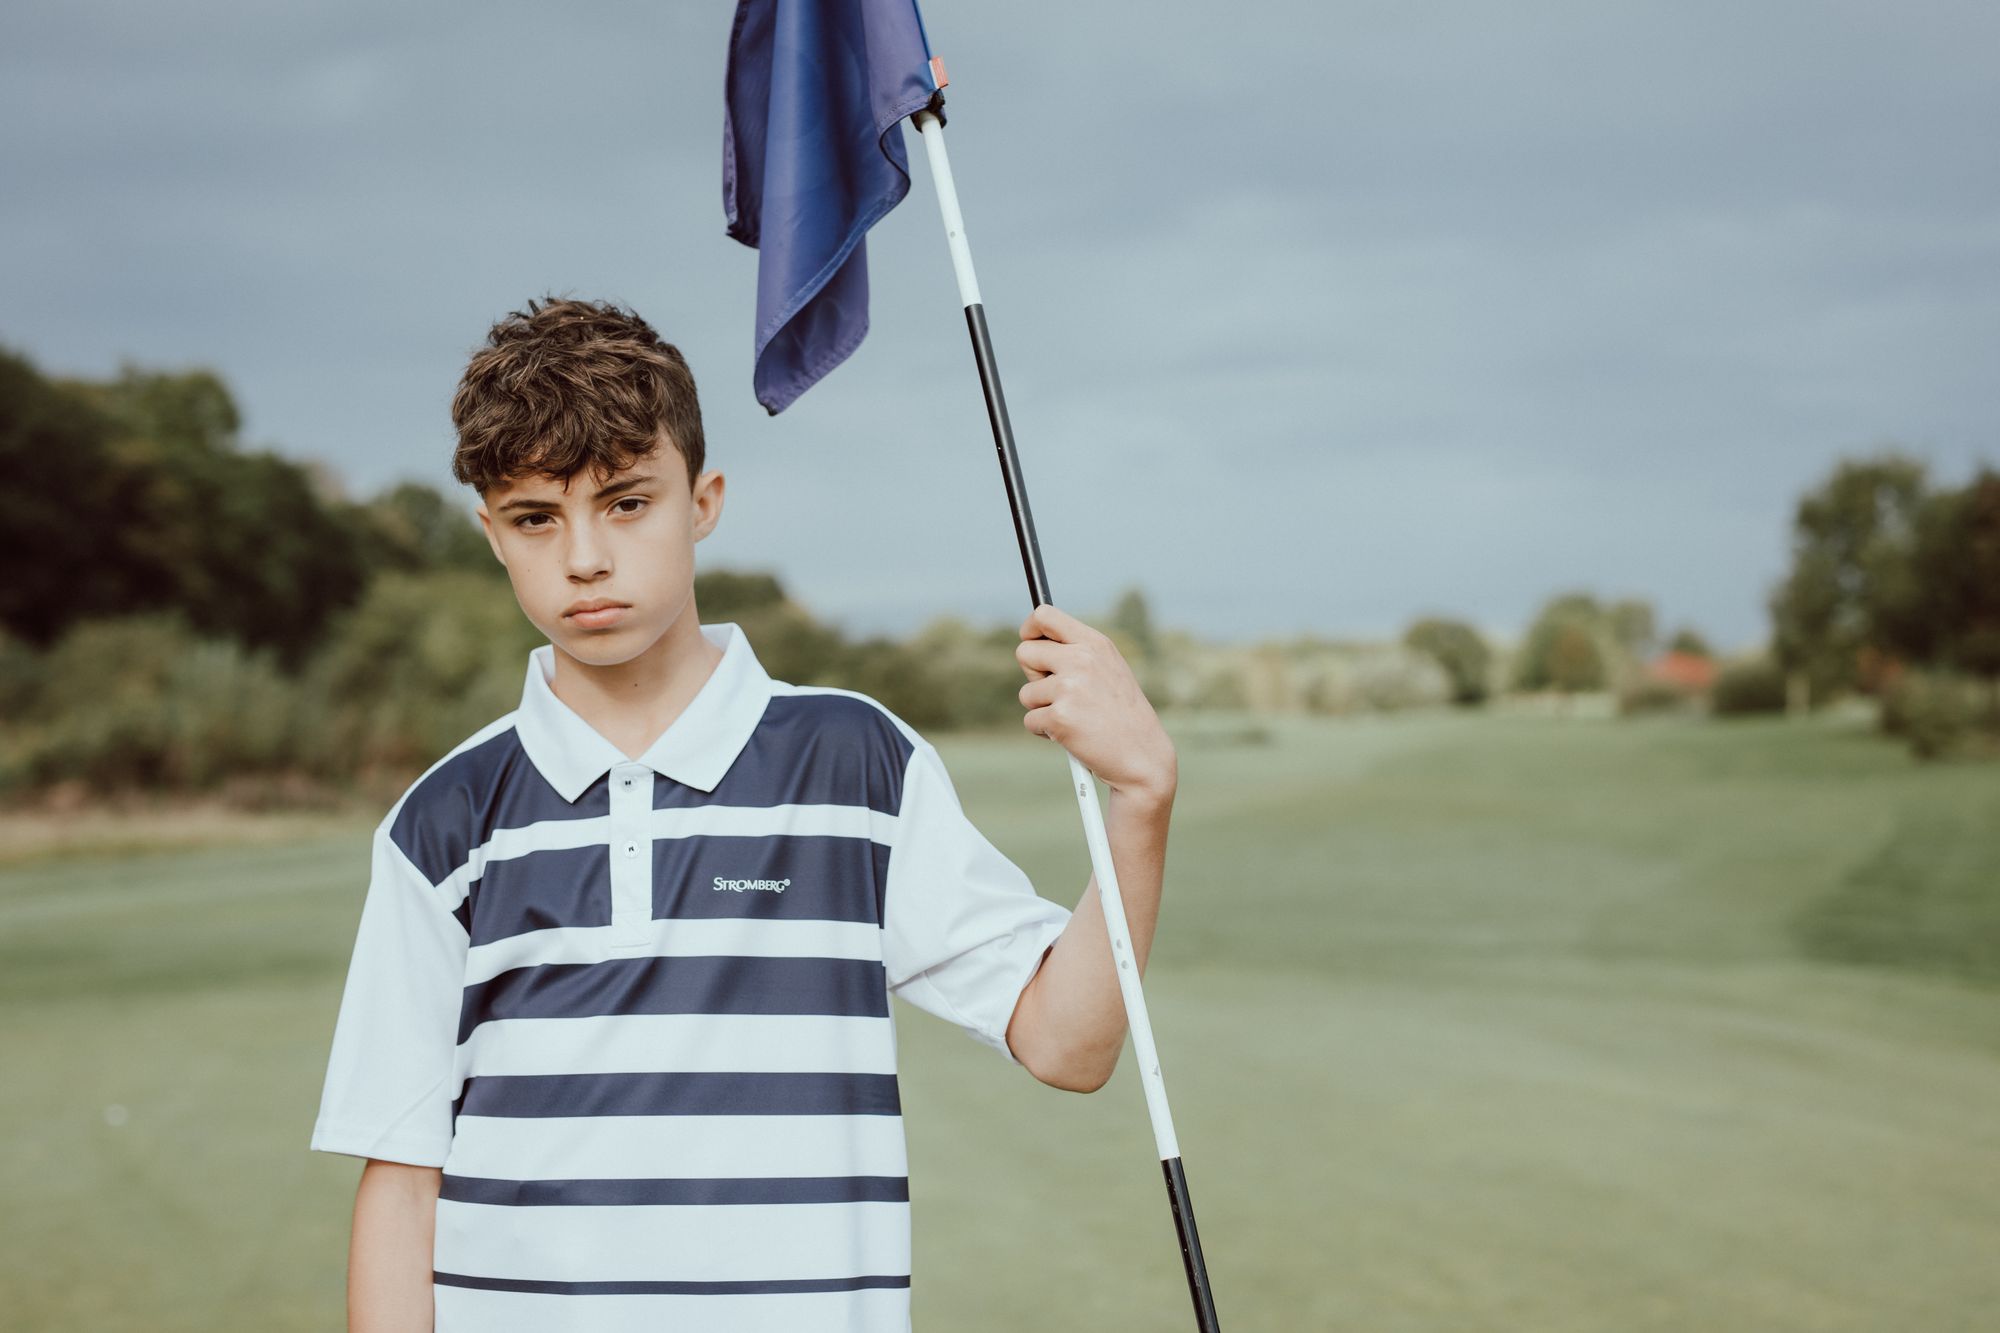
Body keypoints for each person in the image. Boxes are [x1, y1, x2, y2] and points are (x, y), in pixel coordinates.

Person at [308, 296, 1178, 1331]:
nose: (583, 557)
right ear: (492, 533)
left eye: (626, 502)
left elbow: (1068, 1045)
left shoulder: (855, 763)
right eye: (536, 517)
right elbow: (402, 1180)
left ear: (703, 501)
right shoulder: (443, 821)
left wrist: (1139, 801)